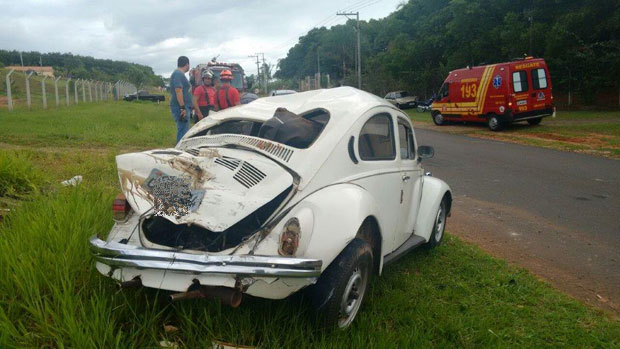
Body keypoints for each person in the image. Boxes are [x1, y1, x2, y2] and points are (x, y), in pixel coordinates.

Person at [169, 56, 192, 143]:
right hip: (181, 107)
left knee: (184, 129)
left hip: (183, 106)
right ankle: (180, 150)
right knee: (183, 131)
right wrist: (182, 108)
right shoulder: (178, 74)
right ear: (187, 64)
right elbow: (178, 91)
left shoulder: (179, 74)